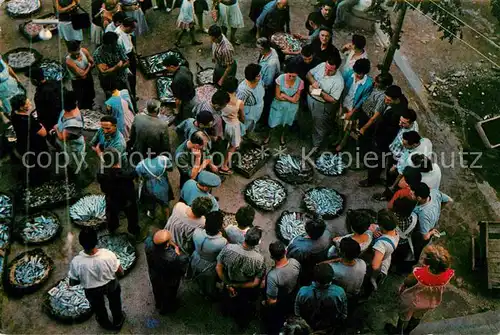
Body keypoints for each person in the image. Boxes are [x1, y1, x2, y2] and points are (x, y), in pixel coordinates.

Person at [385, 245, 454, 334]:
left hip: (412, 302)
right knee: (417, 317)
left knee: (404, 317)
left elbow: (407, 282)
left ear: (429, 263)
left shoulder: (419, 274)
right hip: (429, 302)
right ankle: (407, 332)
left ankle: (398, 332)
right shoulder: (448, 274)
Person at [68, 229, 125, 330]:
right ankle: (118, 320)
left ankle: (105, 323)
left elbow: (73, 282)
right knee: (115, 303)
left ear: (81, 243)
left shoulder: (76, 262)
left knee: (99, 308)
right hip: (110, 284)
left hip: (91, 290)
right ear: (97, 241)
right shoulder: (108, 255)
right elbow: (120, 271)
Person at [216, 226, 266, 328]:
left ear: (244, 236)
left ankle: (225, 312)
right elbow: (255, 283)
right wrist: (237, 285)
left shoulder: (228, 248)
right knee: (243, 305)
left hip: (228, 281)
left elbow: (218, 268)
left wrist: (228, 284)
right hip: (245, 287)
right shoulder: (259, 260)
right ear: (257, 242)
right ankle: (241, 322)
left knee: (226, 300)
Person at [359, 85, 409, 187]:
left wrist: (377, 139)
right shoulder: (402, 100)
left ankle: (371, 179)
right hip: (386, 138)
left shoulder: (396, 114)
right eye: (385, 98)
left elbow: (386, 129)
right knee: (380, 158)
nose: (385, 101)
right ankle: (375, 174)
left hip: (384, 139)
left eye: (388, 100)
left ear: (396, 99)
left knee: (376, 159)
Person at [144, 229, 189, 314]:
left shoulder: (148, 243)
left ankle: (158, 304)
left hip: (154, 275)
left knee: (157, 290)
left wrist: (168, 244)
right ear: (167, 244)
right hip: (169, 280)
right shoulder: (173, 258)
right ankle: (165, 310)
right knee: (169, 295)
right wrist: (177, 252)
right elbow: (181, 267)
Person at [97, 148, 139, 235]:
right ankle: (134, 230)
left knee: (111, 214)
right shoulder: (126, 175)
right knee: (132, 215)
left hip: (111, 199)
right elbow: (132, 175)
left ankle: (112, 228)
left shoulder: (101, 173)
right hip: (127, 201)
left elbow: (103, 187)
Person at [306, 53, 344, 150]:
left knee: (320, 126)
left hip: (321, 105)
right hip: (310, 98)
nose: (326, 72)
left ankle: (316, 146)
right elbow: (309, 74)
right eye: (326, 68)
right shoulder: (323, 65)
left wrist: (319, 92)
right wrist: (313, 82)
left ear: (336, 69)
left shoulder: (339, 82)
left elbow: (334, 100)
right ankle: (310, 134)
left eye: (330, 71)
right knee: (311, 118)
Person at [262, 240, 301, 334]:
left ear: (272, 257)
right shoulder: (294, 262)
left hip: (280, 300)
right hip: (293, 293)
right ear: (285, 252)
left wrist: (266, 303)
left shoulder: (273, 276)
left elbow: (272, 301)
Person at [295, 263, 348, 332]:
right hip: (330, 326)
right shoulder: (339, 292)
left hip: (309, 325)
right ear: (331, 278)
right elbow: (344, 313)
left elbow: (297, 311)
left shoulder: (303, 291)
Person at [10, 94, 48, 185]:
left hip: (23, 143)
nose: (30, 103)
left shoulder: (14, 115)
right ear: (22, 107)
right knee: (39, 163)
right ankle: (38, 180)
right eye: (27, 103)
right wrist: (41, 125)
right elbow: (44, 133)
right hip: (35, 145)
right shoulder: (29, 121)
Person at [336, 58, 373, 152]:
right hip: (343, 102)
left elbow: (363, 99)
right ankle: (338, 138)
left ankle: (342, 143)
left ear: (365, 73)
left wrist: (352, 111)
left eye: (360, 73)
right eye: (356, 72)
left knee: (348, 126)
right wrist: (340, 105)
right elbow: (341, 86)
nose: (357, 75)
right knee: (339, 122)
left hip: (353, 107)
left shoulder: (368, 83)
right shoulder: (349, 73)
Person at [191, 211, 228, 298]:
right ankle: (209, 295)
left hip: (195, 259)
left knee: (199, 278)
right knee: (210, 284)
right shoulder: (221, 242)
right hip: (209, 267)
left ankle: (201, 290)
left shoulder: (196, 232)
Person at [411, 182, 453, 259]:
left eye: (413, 194)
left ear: (419, 198)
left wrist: (431, 232)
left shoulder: (424, 214)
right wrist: (438, 210)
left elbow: (425, 237)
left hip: (424, 232)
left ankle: (413, 259)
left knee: (417, 248)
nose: (411, 194)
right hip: (432, 223)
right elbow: (449, 200)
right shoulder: (434, 192)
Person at [265, 63, 304, 146]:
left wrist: (284, 95)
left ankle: (282, 136)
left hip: (291, 108)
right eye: (290, 75)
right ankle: (268, 136)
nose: (291, 78)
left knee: (287, 123)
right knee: (272, 122)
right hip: (278, 105)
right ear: (287, 73)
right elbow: (278, 96)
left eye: (294, 76)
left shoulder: (300, 82)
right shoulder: (280, 79)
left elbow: (296, 100)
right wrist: (290, 99)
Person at [355, 72, 393, 155]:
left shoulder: (382, 97)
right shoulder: (375, 87)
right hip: (364, 113)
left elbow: (374, 117)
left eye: (378, 83)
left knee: (365, 140)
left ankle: (362, 158)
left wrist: (364, 128)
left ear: (385, 85)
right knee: (360, 136)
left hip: (369, 120)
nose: (375, 83)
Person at [287, 218, 331, 285]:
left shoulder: (299, 247)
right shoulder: (327, 234)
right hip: (318, 260)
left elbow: (291, 257)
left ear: (307, 231)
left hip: (306, 266)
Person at [53, 90, 86, 177]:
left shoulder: (74, 122)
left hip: (74, 147)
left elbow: (62, 137)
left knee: (77, 161)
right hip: (69, 145)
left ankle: (83, 176)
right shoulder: (66, 110)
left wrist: (56, 128)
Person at [135, 147, 174, 219]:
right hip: (163, 185)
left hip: (150, 188)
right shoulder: (164, 159)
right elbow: (170, 169)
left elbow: (139, 177)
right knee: (165, 205)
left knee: (150, 204)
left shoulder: (140, 165)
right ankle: (167, 219)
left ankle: (152, 214)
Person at [369, 209, 400, 291]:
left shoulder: (381, 244)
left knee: (370, 283)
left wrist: (372, 277)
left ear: (382, 226)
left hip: (380, 267)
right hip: (386, 257)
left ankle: (373, 284)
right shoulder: (395, 231)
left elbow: (375, 266)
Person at [220, 77, 245, 174]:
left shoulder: (220, 97)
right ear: (236, 88)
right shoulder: (239, 102)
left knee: (224, 140)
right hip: (233, 126)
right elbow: (242, 117)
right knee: (233, 146)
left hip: (222, 123)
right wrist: (243, 122)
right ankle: (224, 165)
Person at [164, 56, 198, 122]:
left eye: (167, 68)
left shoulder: (176, 81)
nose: (167, 69)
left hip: (187, 102)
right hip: (193, 94)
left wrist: (177, 110)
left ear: (172, 67)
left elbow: (178, 100)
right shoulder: (184, 68)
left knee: (186, 116)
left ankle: (186, 122)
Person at [257, 37, 281, 127]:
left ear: (262, 49)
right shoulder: (271, 50)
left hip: (268, 88)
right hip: (264, 80)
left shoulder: (271, 63)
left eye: (258, 48)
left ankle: (264, 123)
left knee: (266, 105)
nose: (258, 50)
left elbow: (268, 82)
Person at [65, 41, 96, 110]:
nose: (76, 56)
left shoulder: (84, 51)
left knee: (90, 93)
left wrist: (88, 68)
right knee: (81, 98)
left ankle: (91, 104)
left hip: (88, 77)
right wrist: (88, 66)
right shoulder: (69, 61)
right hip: (78, 82)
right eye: (74, 54)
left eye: (78, 53)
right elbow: (82, 75)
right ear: (69, 51)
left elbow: (93, 63)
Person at [391, 197, 418, 271]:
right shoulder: (414, 218)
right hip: (406, 244)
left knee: (392, 257)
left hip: (395, 243)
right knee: (399, 258)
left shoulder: (393, 219)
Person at [236, 63, 265, 133]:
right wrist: (242, 119)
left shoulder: (259, 81)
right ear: (252, 77)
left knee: (253, 125)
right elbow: (239, 108)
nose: (260, 77)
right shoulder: (243, 91)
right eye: (258, 76)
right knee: (245, 128)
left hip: (257, 111)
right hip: (248, 115)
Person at [31, 67, 61, 131]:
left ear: (35, 80)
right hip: (62, 115)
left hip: (51, 122)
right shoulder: (55, 82)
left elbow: (41, 113)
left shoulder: (40, 95)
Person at [115, 17, 138, 99]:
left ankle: (134, 93)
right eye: (133, 28)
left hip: (130, 54)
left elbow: (130, 39)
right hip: (125, 58)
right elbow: (119, 54)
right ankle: (130, 96)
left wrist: (134, 53)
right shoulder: (119, 38)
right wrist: (126, 68)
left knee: (133, 77)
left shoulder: (126, 31)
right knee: (129, 78)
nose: (134, 30)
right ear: (128, 27)